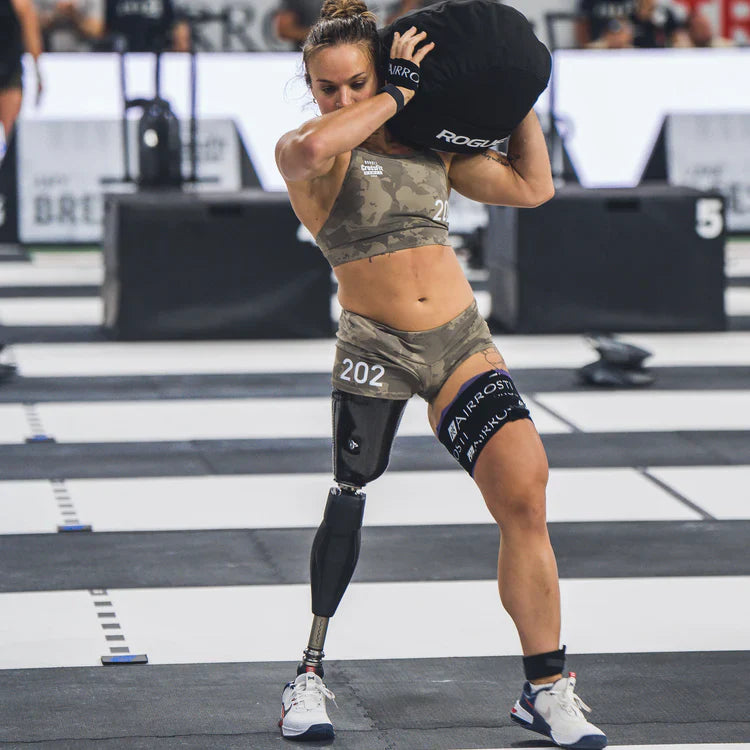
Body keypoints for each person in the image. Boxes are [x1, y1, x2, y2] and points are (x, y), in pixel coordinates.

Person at [274, 1, 608, 748]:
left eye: (355, 82)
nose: (341, 99)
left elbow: (532, 187)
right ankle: (308, 675)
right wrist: (396, 92)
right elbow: (316, 143)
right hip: (376, 341)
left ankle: (547, 688)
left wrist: (514, 93)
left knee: (525, 487)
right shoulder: (311, 152)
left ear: (379, 68)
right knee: (349, 495)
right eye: (326, 88)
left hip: (459, 341)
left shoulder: (430, 143)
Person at [0, 0, 43, 144]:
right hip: (9, 67)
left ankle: (9, 162)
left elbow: (30, 29)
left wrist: (38, 70)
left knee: (11, 136)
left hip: (8, 66)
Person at [92, 0, 190, 52]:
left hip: (155, 55)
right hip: (120, 55)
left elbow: (176, 25)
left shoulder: (164, 2)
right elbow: (101, 29)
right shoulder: (112, 2)